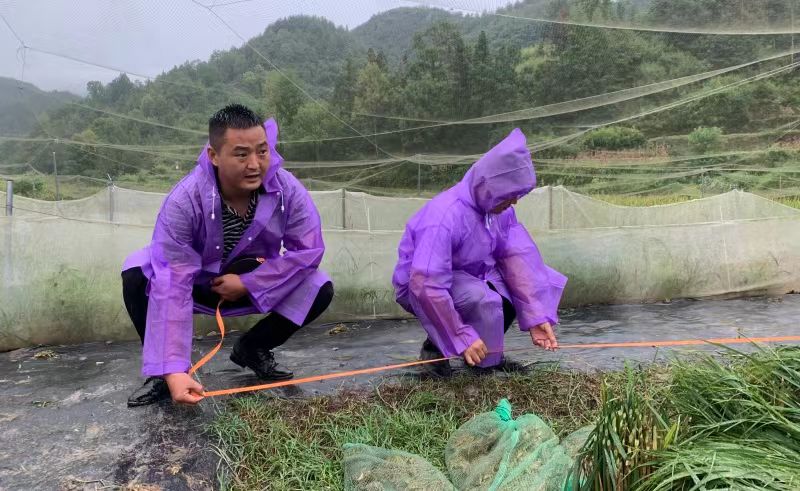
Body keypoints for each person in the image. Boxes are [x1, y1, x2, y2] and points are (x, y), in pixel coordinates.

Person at [121, 104, 333, 406]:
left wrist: (251, 282)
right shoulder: (185, 200)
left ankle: (253, 348)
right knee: (138, 272)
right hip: (197, 284)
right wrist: (173, 369)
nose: (255, 164)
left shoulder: (287, 190)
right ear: (214, 155)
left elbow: (308, 251)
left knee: (318, 286)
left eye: (262, 151)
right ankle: (164, 375)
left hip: (251, 282)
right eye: (241, 154)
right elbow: (173, 276)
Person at [392, 128, 566, 376]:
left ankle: (488, 358)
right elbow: (426, 283)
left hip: (472, 275)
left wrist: (536, 316)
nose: (514, 201)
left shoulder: (498, 210)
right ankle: (436, 351)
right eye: (510, 194)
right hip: (421, 285)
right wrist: (461, 336)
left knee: (524, 283)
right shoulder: (444, 215)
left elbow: (517, 259)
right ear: (489, 186)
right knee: (481, 298)